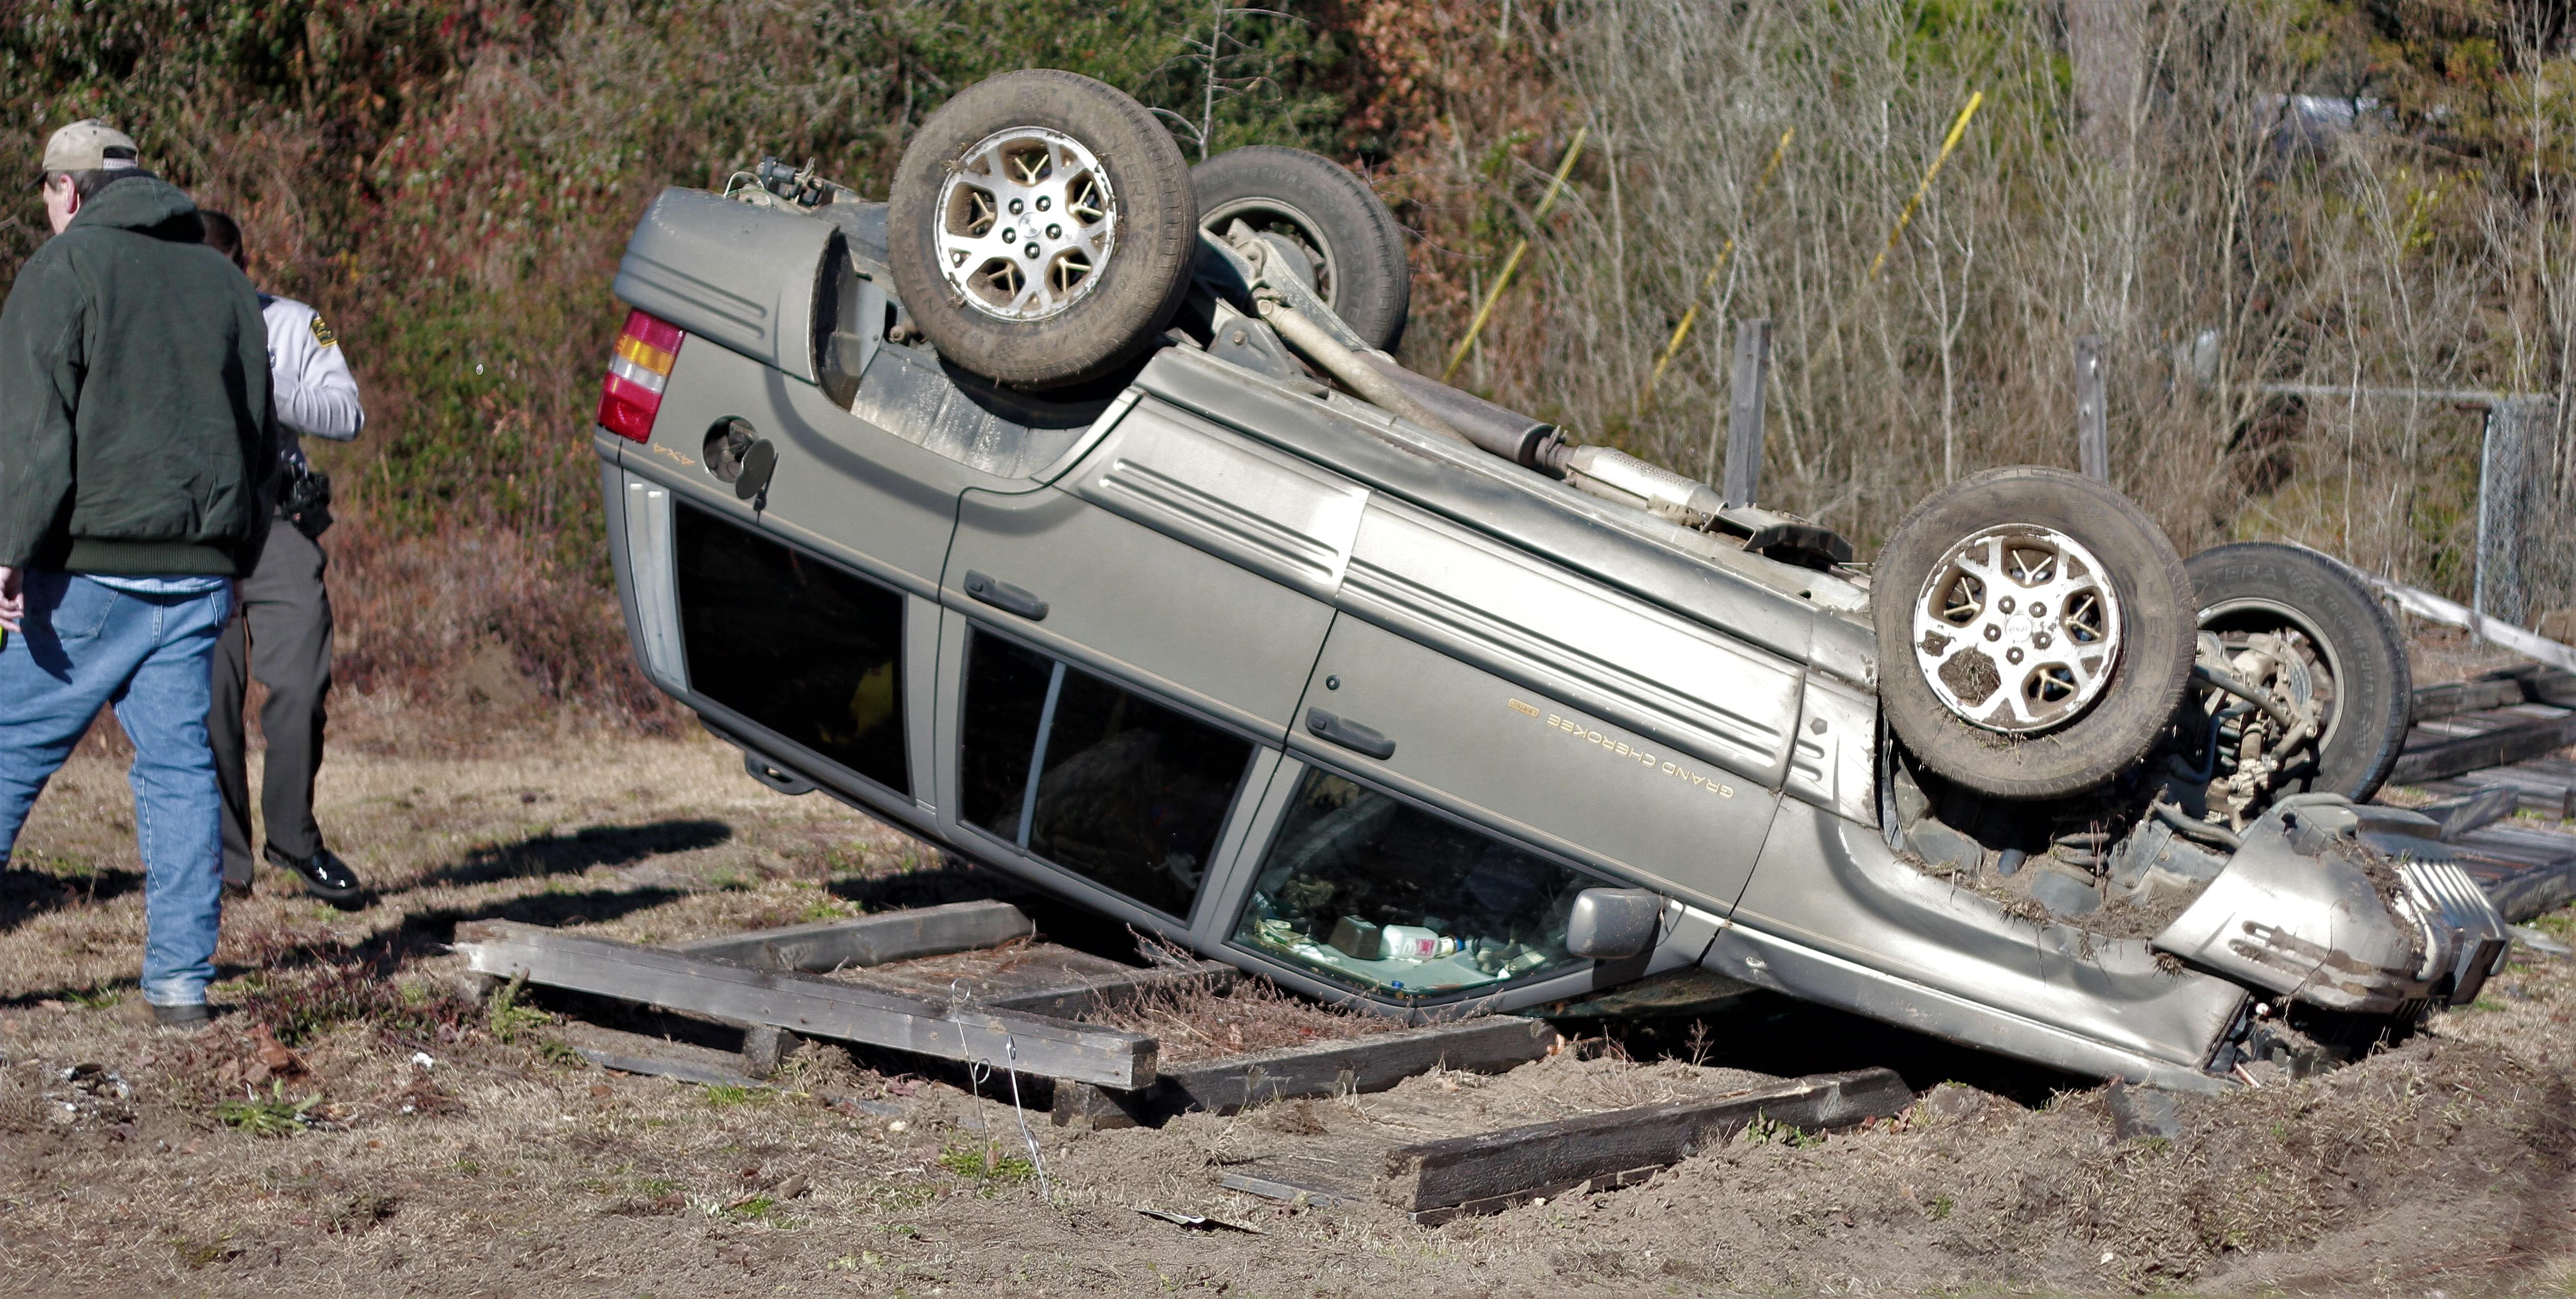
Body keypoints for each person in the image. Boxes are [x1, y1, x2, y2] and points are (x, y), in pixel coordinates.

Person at [0, 120, 277, 1025]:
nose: (46, 210)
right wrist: (234, 555)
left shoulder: (64, 270)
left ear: (71, 193)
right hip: (196, 576)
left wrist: (9, 550)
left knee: (5, 760)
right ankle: (179, 985)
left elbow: (32, 437)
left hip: (87, 577)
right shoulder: (223, 279)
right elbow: (258, 439)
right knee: (178, 772)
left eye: (46, 192)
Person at [195, 211, 366, 907]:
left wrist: (266, 385)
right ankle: (226, 864)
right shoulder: (154, 327)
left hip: (276, 520)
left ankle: (294, 835)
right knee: (208, 698)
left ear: (243, 266)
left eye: (226, 271)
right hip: (196, 530)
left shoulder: (291, 324)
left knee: (299, 678)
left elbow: (347, 414)